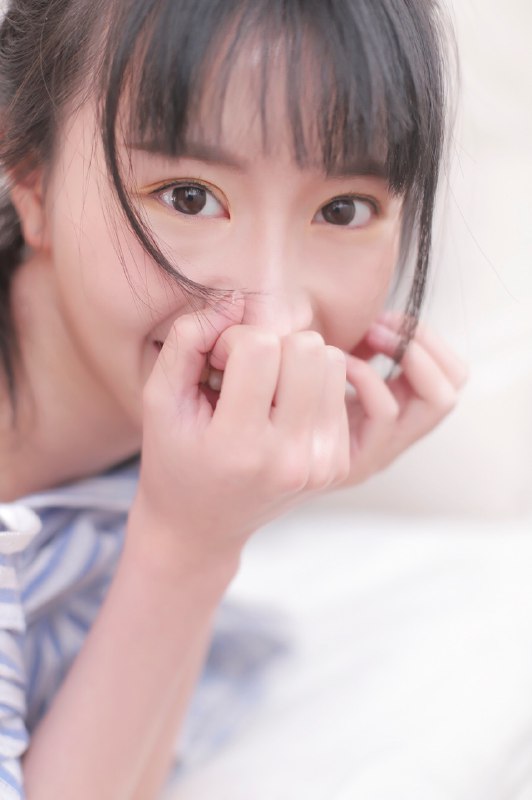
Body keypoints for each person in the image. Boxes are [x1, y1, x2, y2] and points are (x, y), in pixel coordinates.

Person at [0, 1, 466, 797]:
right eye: (188, 196)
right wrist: (186, 543)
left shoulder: (144, 465)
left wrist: (205, 531)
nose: (275, 314)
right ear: (28, 176)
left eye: (343, 210)